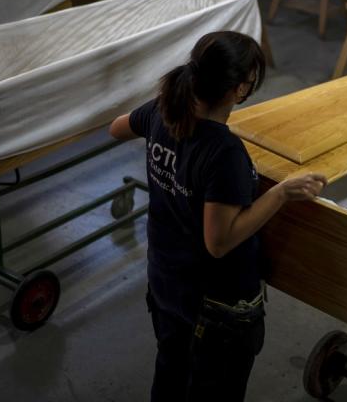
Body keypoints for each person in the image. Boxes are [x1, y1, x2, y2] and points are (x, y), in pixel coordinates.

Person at [109, 30, 327, 401]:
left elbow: (116, 128)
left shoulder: (164, 111)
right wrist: (280, 193)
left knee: (172, 372)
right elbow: (219, 242)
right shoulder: (223, 152)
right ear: (239, 89)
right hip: (215, 303)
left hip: (167, 279)